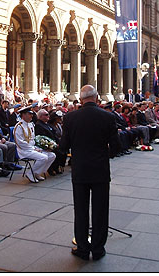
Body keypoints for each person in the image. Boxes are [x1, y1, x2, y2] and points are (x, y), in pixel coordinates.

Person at [60, 85, 118, 261]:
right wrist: (104, 155)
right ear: (96, 97)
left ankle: (83, 249)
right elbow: (116, 147)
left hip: (80, 170)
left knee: (80, 209)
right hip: (100, 170)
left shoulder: (70, 117)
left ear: (81, 98)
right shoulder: (108, 117)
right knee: (100, 210)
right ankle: (98, 249)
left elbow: (63, 147)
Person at [13, 106, 56, 183]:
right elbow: (20, 142)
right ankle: (30, 173)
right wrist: (33, 149)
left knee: (52, 155)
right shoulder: (19, 126)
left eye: (31, 114)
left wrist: (39, 147)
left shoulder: (30, 125)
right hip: (24, 150)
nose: (31, 116)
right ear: (23, 115)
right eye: (29, 114)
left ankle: (37, 173)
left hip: (33, 148)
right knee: (43, 157)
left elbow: (33, 139)